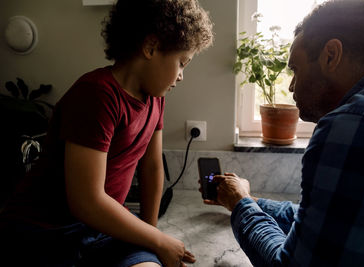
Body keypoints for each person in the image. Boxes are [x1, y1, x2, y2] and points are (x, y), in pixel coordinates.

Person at [0, 0, 213, 266]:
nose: (181, 76)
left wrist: (150, 237)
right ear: (150, 47)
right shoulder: (96, 95)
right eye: (182, 63)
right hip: (43, 232)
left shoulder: (155, 99)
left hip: (104, 229)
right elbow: (86, 200)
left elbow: (152, 169)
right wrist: (157, 240)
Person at [205, 0, 364, 266]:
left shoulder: (354, 125)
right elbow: (328, 219)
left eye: (295, 69)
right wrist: (252, 200)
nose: (293, 86)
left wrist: (241, 205)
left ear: (331, 55)